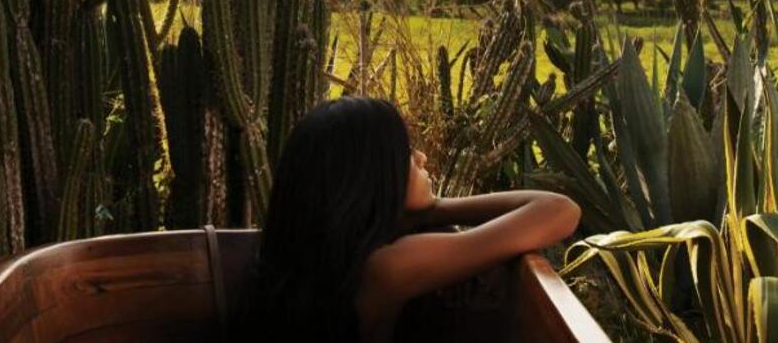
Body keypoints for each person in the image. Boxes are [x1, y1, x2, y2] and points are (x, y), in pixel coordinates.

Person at [245, 96, 580, 342]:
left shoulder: (323, 259)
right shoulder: (387, 267)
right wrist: (438, 207)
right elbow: (560, 211)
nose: (420, 157)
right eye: (405, 151)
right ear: (370, 176)